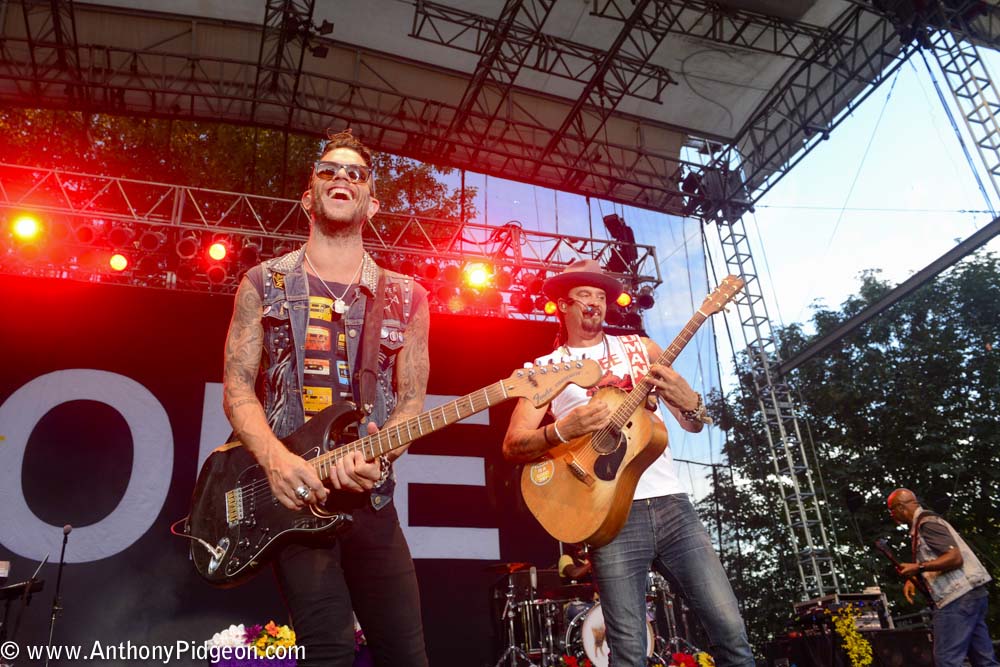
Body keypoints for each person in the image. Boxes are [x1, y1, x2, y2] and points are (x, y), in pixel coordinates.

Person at [222, 129, 429, 666]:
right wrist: (276, 461)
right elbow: (238, 387)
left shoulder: (408, 295)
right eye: (328, 170)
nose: (342, 177)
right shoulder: (263, 282)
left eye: (356, 173)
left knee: (406, 655)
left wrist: (380, 455)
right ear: (307, 197)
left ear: (373, 203)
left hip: (372, 501)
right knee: (328, 652)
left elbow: (411, 402)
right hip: (295, 500)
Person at [502, 259, 754, 667]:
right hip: (610, 518)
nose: (594, 303)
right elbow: (514, 445)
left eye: (600, 296)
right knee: (629, 653)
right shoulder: (548, 370)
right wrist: (563, 430)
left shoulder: (641, 347)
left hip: (673, 506)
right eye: (584, 295)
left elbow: (690, 425)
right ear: (562, 306)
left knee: (730, 631)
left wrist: (691, 403)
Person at [888, 488, 998, 667]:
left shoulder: (927, 524)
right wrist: (915, 576)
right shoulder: (925, 524)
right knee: (984, 661)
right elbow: (937, 558)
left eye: (891, 510)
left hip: (957, 596)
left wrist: (919, 567)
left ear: (900, 507)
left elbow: (954, 558)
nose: (892, 515)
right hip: (972, 594)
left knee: (947, 660)